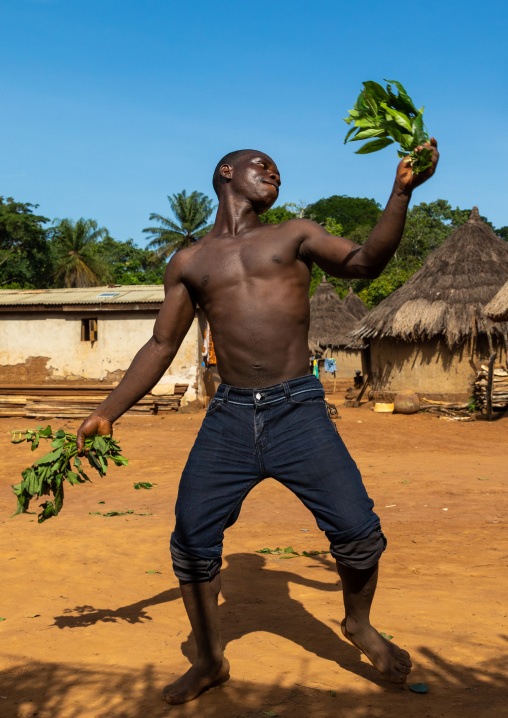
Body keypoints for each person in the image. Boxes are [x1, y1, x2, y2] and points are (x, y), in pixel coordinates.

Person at [77, 140, 439, 704]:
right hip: (228, 418)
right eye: (259, 163)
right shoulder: (190, 261)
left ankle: (359, 624)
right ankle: (210, 661)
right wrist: (107, 411)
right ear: (226, 173)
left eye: (276, 167)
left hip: (299, 410)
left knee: (358, 534)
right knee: (192, 541)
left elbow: (366, 262)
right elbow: (161, 342)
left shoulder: (294, 233)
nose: (272, 170)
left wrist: (400, 192)